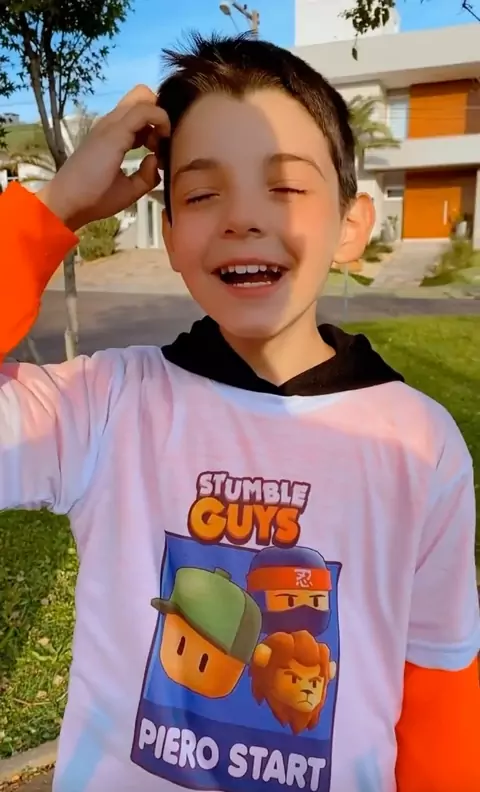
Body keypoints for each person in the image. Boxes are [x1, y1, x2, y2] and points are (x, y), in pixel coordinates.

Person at [0, 33, 478, 792]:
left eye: (284, 186)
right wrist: (52, 209)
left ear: (352, 223)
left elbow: (440, 687)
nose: (242, 217)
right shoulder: (104, 406)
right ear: (170, 235)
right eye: (200, 194)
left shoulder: (420, 445)